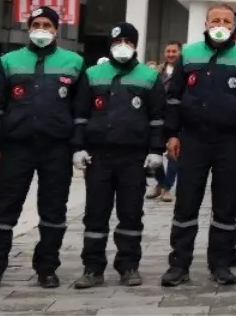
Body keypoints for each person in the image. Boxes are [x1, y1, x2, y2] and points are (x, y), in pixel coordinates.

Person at [0, 6, 84, 291]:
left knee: (53, 211)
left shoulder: (73, 62)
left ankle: (47, 268)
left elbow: (81, 110)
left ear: (56, 29)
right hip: (16, 148)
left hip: (56, 149)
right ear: (28, 27)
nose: (41, 29)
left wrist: (77, 146)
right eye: (36, 23)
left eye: (46, 24)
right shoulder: (10, 61)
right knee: (4, 208)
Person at [161, 3, 236, 287]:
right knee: (186, 203)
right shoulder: (189, 54)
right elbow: (174, 97)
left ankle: (220, 264)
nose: (220, 24)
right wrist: (172, 133)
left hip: (231, 142)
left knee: (226, 205)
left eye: (226, 21)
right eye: (215, 20)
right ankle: (178, 264)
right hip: (192, 139)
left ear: (234, 26)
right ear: (206, 24)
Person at [71, 22, 165, 289]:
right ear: (110, 44)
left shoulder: (149, 77)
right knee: (95, 214)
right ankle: (92, 268)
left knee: (131, 213)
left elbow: (158, 117)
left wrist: (156, 151)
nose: (122, 46)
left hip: (133, 158)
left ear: (135, 45)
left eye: (128, 41)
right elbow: (80, 115)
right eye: (117, 41)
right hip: (99, 156)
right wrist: (78, 147)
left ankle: (129, 265)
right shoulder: (92, 74)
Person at [149, 41, 182, 203]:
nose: (171, 54)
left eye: (174, 51)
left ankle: (167, 188)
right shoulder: (157, 71)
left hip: (177, 116)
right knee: (153, 150)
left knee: (173, 153)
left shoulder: (184, 70)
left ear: (180, 52)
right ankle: (160, 183)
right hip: (158, 115)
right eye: (168, 51)